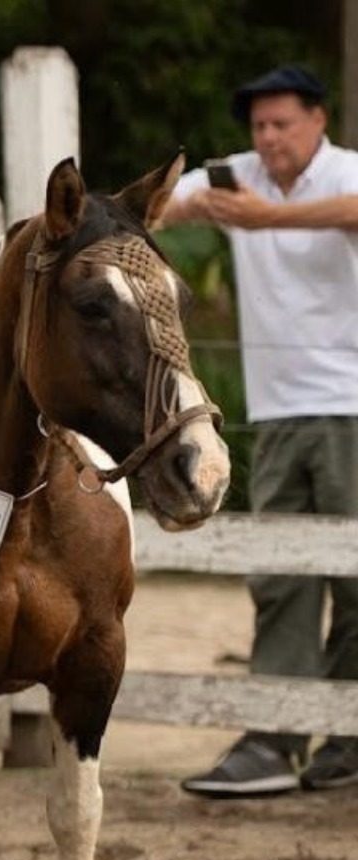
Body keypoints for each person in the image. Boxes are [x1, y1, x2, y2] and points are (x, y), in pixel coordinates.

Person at [159, 65, 358, 796]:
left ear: (318, 120)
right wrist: (183, 208)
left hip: (351, 406)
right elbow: (152, 206)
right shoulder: (235, 176)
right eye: (258, 127)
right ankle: (274, 737)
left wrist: (262, 219)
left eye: (282, 124)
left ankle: (346, 735)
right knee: (280, 575)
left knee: (355, 577)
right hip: (275, 411)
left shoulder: (346, 172)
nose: (268, 139)